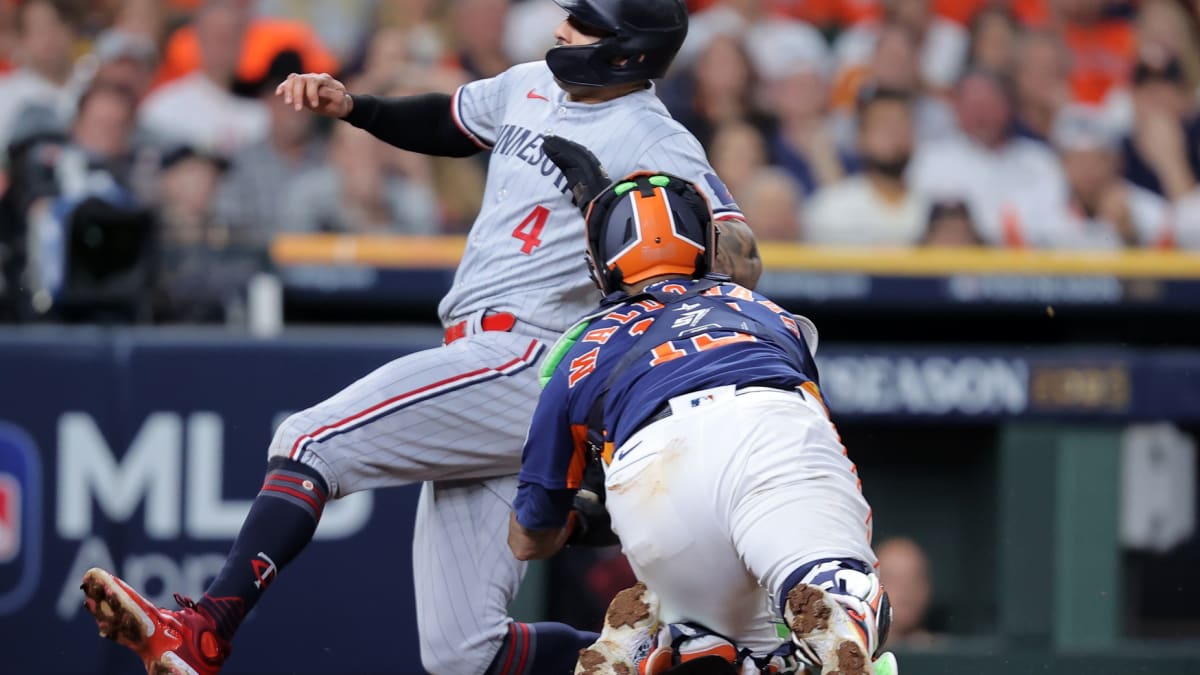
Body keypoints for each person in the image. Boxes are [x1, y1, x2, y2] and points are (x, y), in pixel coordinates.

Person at [79, 2, 762, 674]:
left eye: (584, 23)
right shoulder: (531, 83)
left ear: (626, 51)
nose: (562, 28)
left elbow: (739, 258)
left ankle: (203, 631)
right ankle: (674, 656)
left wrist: (605, 204)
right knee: (461, 652)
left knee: (310, 440)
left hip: (534, 353)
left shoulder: (653, 137)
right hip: (487, 354)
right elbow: (451, 120)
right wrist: (359, 109)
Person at [507, 139, 895, 675]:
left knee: (733, 648)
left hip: (655, 478)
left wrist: (578, 519)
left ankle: (677, 643)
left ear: (600, 269)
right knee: (832, 590)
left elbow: (529, 538)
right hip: (769, 426)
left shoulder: (579, 348)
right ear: (709, 248)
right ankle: (838, 612)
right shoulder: (765, 310)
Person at [805, 88, 928, 246]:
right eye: (883, 125)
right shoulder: (832, 207)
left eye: (902, 124)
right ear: (861, 137)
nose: (894, 134)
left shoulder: (932, 207)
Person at [875, 538, 939, 648]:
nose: (905, 588)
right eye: (893, 578)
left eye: (914, 579)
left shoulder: (944, 653)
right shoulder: (854, 651)